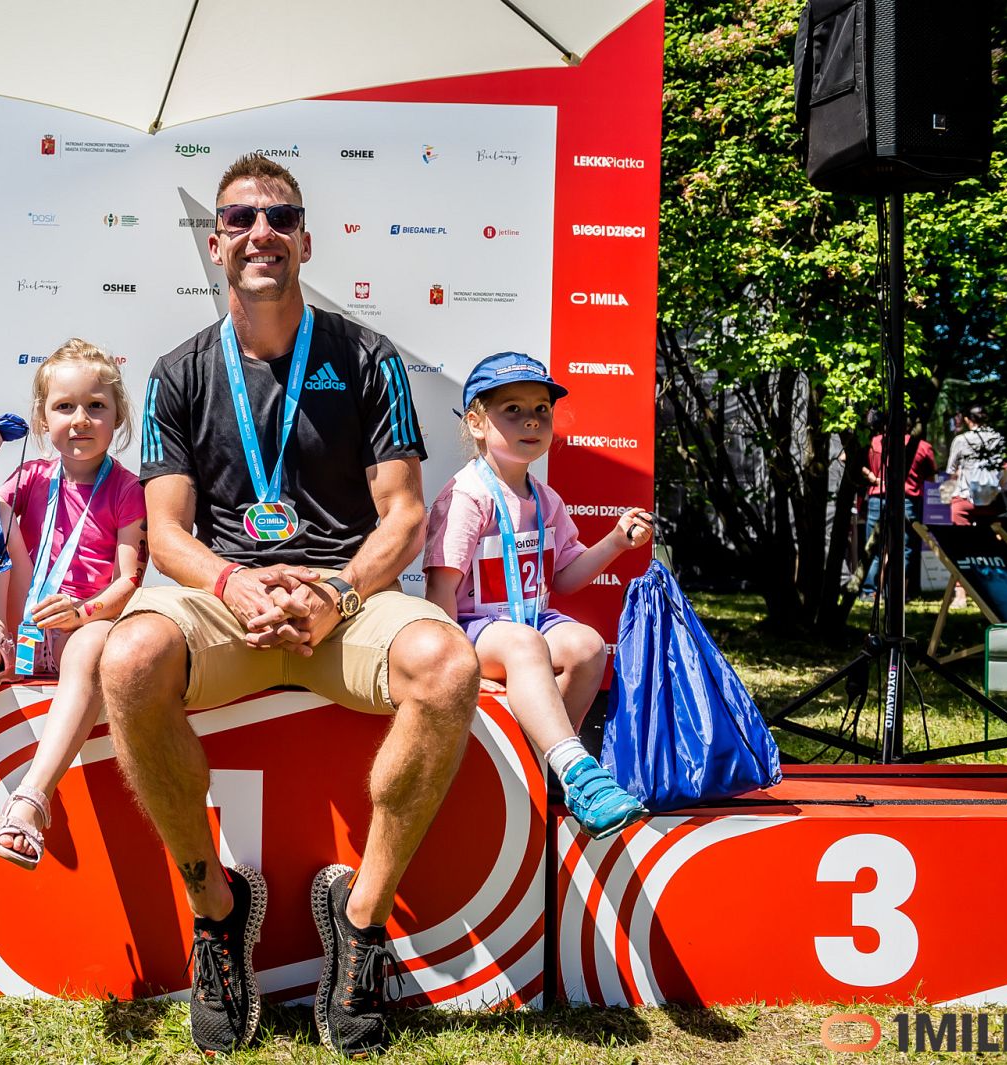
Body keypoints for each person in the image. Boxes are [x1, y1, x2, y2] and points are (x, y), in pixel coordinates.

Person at [98, 154, 479, 1057]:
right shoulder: (176, 371)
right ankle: (217, 917)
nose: (261, 232)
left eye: (280, 217)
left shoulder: (369, 357)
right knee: (127, 660)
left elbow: (404, 516)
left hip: (342, 600)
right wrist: (233, 583)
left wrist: (338, 588)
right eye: (240, 219)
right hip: (228, 600)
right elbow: (167, 530)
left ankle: (360, 922)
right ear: (216, 242)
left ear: (305, 239)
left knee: (449, 665)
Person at [423, 353, 654, 840]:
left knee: (588, 645)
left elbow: (565, 579)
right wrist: (452, 665)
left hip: (530, 621)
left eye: (542, 410)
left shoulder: (546, 498)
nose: (531, 419)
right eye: (512, 409)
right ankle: (577, 769)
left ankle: (548, 771)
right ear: (477, 423)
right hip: (473, 629)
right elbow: (442, 588)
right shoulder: (468, 495)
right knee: (526, 645)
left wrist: (614, 541)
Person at [0, 339, 147, 869]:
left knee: (91, 644)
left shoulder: (126, 488)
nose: (80, 420)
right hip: (25, 621)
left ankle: (31, 800)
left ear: (118, 414)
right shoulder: (31, 478)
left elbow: (130, 580)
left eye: (96, 406)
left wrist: (85, 611)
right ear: (42, 417)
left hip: (86, 629)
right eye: (64, 407)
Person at [860, 415, 936, 599]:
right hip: (907, 499)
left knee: (874, 546)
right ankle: (896, 592)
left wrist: (871, 476)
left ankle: (870, 591)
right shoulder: (922, 446)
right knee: (905, 548)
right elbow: (931, 477)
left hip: (878, 497)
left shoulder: (875, 442)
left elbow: (848, 459)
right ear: (910, 427)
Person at [947, 405, 1007, 526]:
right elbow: (1004, 468)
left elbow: (952, 471)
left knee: (960, 540)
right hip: (992, 501)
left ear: (966, 419)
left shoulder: (961, 440)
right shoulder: (997, 439)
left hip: (964, 500)